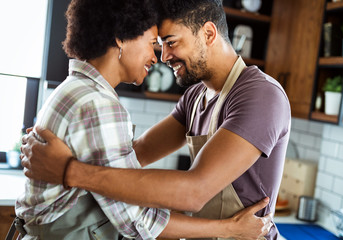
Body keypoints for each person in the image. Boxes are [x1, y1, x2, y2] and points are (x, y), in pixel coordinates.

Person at [21, 0, 290, 239]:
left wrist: (68, 170)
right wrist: (69, 140)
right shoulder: (195, 97)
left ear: (208, 33)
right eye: (158, 45)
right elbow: (132, 156)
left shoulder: (260, 95)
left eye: (170, 42)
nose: (163, 57)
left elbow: (194, 192)